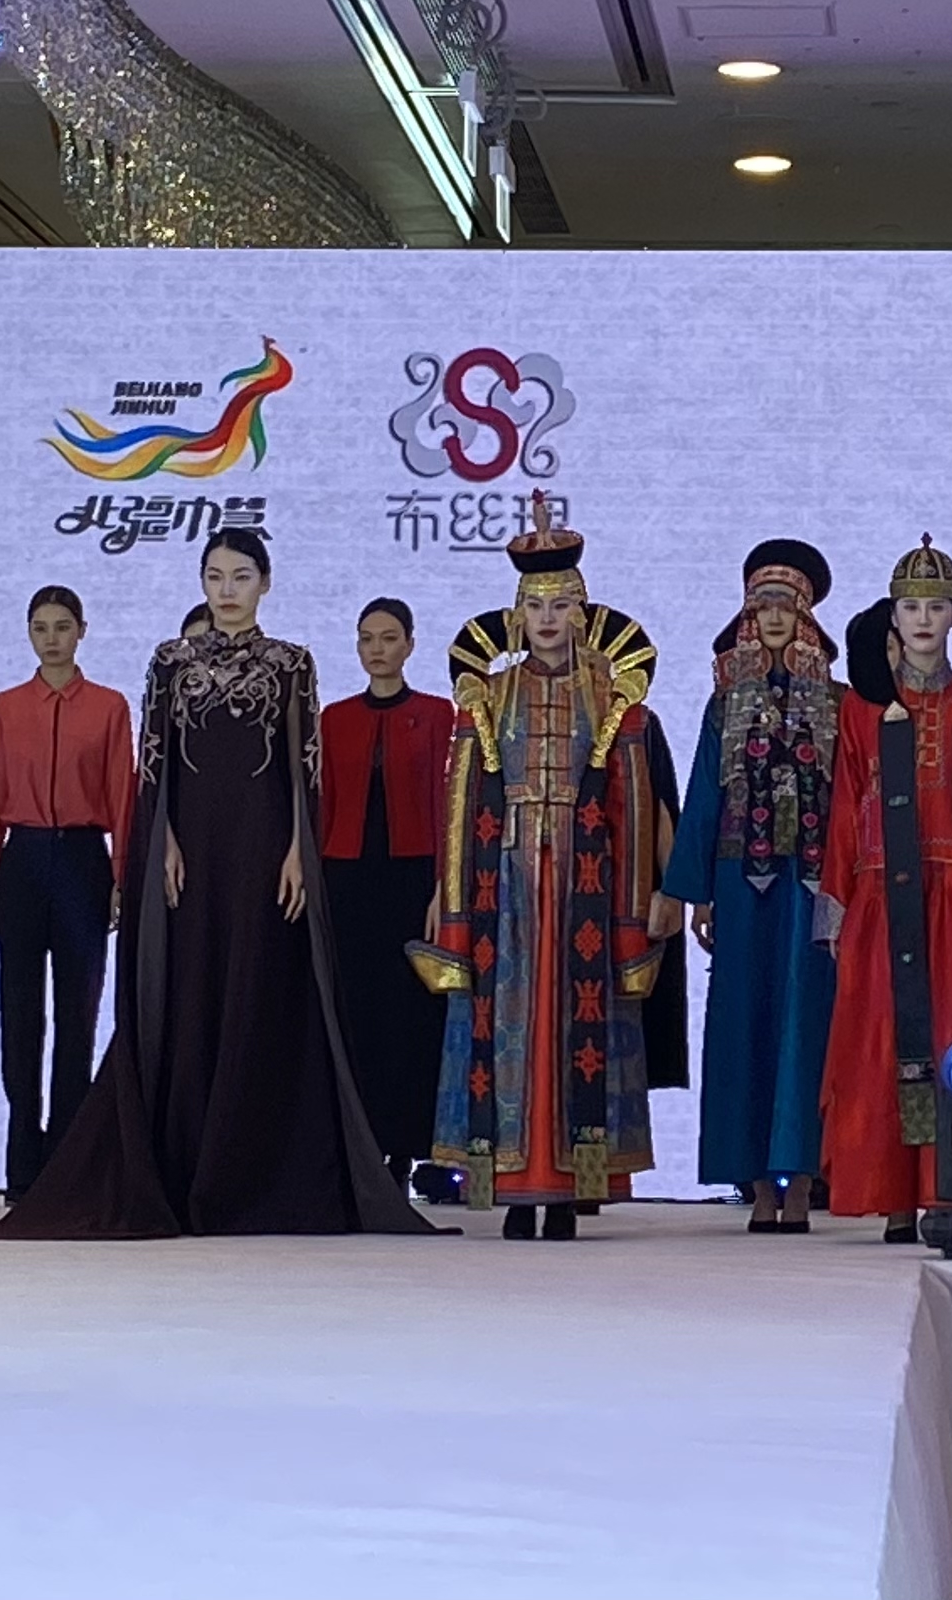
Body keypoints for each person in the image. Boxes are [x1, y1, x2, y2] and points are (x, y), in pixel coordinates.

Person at [0, 528, 421, 1237]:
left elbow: (303, 766)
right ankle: (185, 1162)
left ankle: (250, 1169)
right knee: (191, 989)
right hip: (188, 858)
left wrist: (300, 851)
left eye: (241, 576)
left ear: (265, 583)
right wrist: (158, 842)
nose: (227, 590)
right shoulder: (170, 662)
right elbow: (153, 766)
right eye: (215, 576)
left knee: (255, 988)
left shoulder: (292, 663)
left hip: (264, 853)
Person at [422, 510, 673, 1240]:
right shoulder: (490, 695)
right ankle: (511, 1186)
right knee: (506, 1023)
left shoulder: (612, 699)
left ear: (583, 613)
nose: (548, 619)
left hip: (584, 881)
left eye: (562, 605)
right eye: (536, 607)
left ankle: (566, 1191)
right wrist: (449, 893)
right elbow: (461, 801)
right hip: (504, 884)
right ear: (516, 615)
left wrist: (640, 902)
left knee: (573, 1023)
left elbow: (632, 802)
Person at [819, 537, 952, 1241]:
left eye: (937, 608)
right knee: (881, 1045)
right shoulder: (863, 707)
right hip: (880, 899)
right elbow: (844, 809)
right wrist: (836, 906)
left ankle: (950, 1186)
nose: (924, 620)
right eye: (911, 608)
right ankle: (895, 1197)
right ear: (893, 617)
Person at [661, 541, 845, 1231]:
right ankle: (758, 1186)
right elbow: (705, 794)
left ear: (805, 617)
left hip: (812, 884)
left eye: (785, 605)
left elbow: (850, 800)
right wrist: (698, 894)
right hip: (741, 886)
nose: (772, 617)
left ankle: (802, 1182)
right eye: (761, 605)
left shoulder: (838, 702)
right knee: (744, 1025)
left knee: (806, 1025)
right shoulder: (725, 703)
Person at [0, 584, 127, 1196]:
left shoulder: (109, 707)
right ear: (28, 633)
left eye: (63, 626)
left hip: (85, 859)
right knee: (19, 1011)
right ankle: (21, 1162)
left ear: (82, 631)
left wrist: (122, 876)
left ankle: (68, 1159)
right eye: (40, 627)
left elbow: (122, 795)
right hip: (24, 858)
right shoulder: (5, 707)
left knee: (78, 1012)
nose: (52, 638)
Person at [318, 597, 452, 1190]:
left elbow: (447, 804)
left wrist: (444, 884)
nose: (377, 648)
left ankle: (410, 1148)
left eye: (389, 637)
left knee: (412, 1015)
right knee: (358, 1010)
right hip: (347, 877)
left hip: (413, 877)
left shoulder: (437, 713)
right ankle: (360, 1146)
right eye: (367, 638)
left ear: (410, 645)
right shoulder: (334, 718)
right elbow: (324, 804)